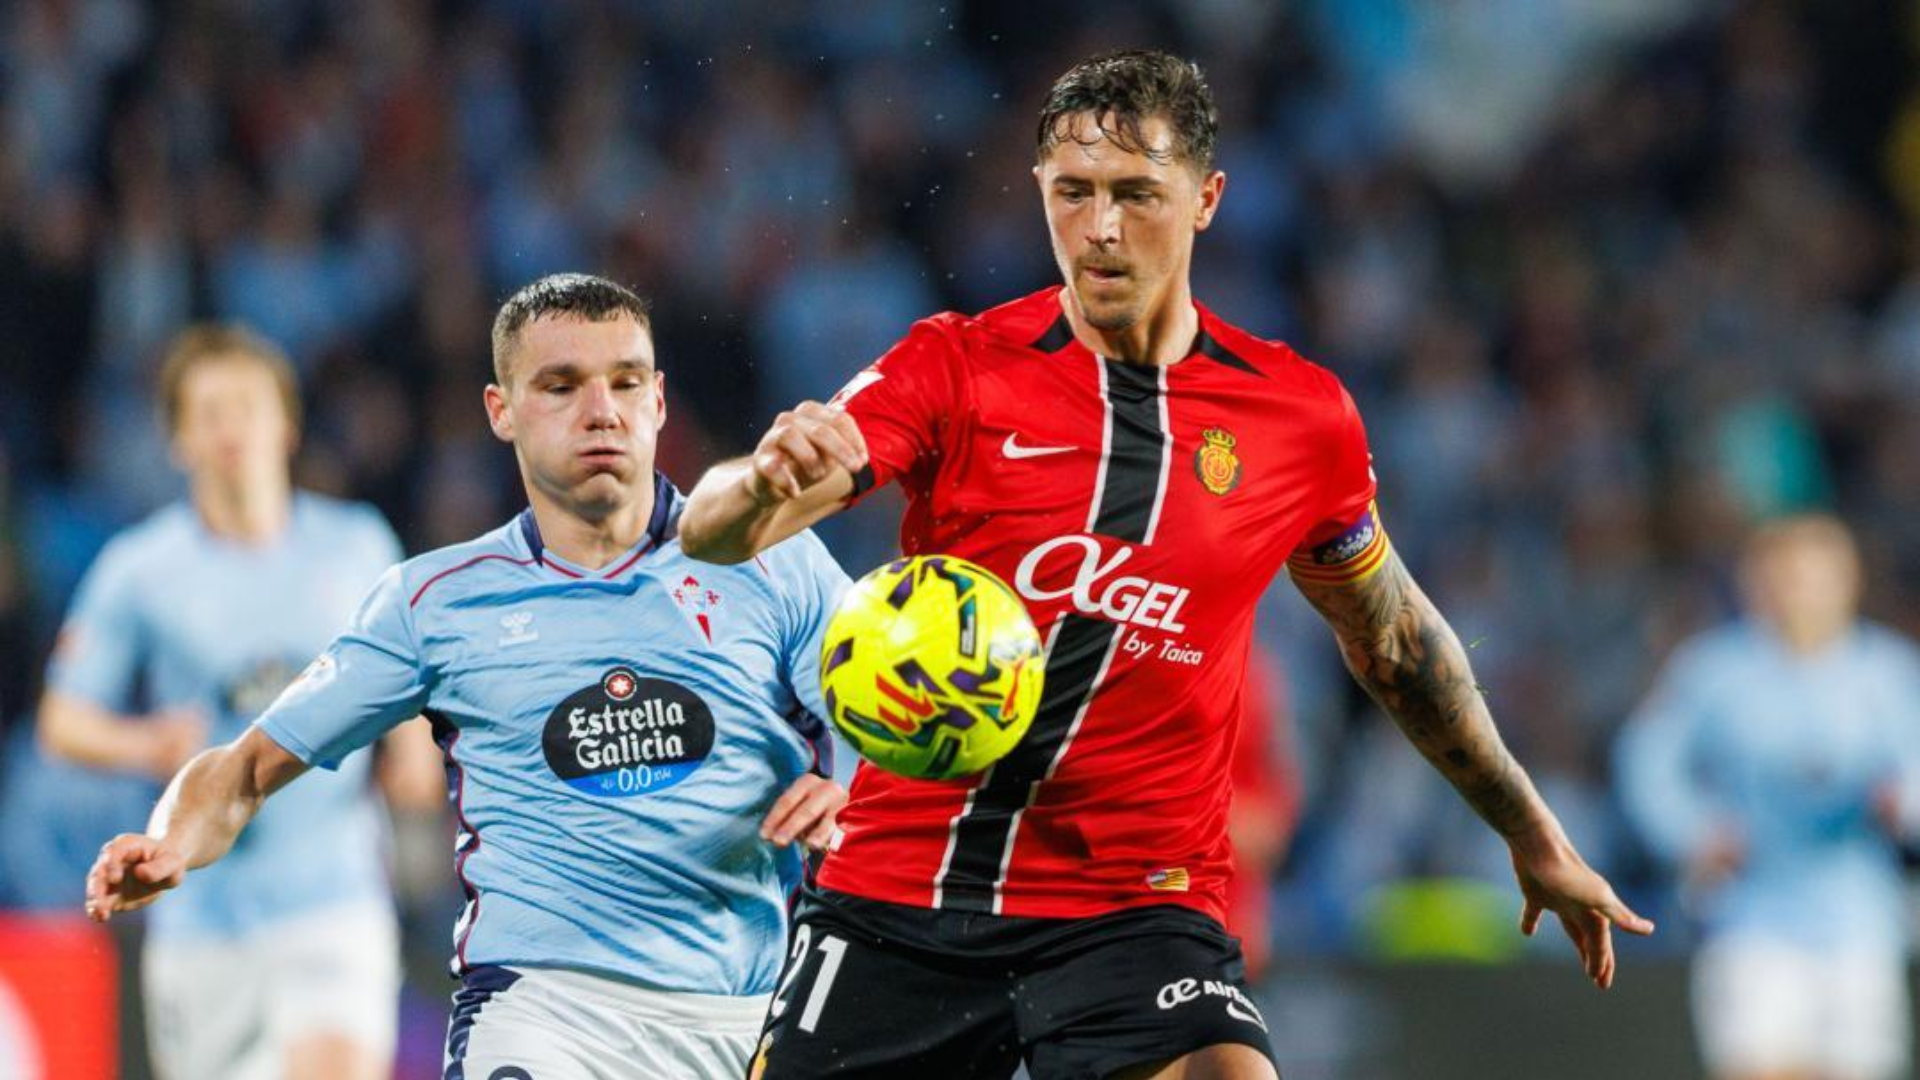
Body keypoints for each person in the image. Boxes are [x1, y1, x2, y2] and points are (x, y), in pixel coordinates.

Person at [680, 50, 1653, 1080]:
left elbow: (1396, 640)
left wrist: (1530, 828)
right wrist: (761, 479)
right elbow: (714, 532)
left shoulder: (1298, 418)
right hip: (900, 892)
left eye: (1137, 194)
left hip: (1135, 912)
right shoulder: (954, 365)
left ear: (1206, 200)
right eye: (1074, 194)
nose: (1101, 228)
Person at [85, 274, 853, 1080]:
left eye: (626, 382)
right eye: (561, 386)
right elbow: (243, 768)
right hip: (544, 1014)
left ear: (659, 400)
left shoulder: (777, 560)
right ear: (501, 410)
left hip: (750, 1014)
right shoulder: (434, 602)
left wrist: (855, 794)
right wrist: (171, 840)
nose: (602, 411)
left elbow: (910, 733)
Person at [40, 323, 444, 1080]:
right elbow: (63, 719)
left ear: (286, 424)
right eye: (210, 412)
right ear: (177, 440)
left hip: (335, 892)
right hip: (203, 914)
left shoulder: (357, 544)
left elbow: (413, 676)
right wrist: (145, 743)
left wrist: (413, 753)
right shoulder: (141, 569)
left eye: (248, 407)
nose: (232, 429)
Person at [1617, 515, 1920, 1080]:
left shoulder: (1890, 674)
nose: (1800, 590)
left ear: (1849, 581)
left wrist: (1901, 803)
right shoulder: (1715, 671)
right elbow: (1648, 760)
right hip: (1751, 915)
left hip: (1859, 919)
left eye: (1816, 576)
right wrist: (1693, 832)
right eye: (1785, 576)